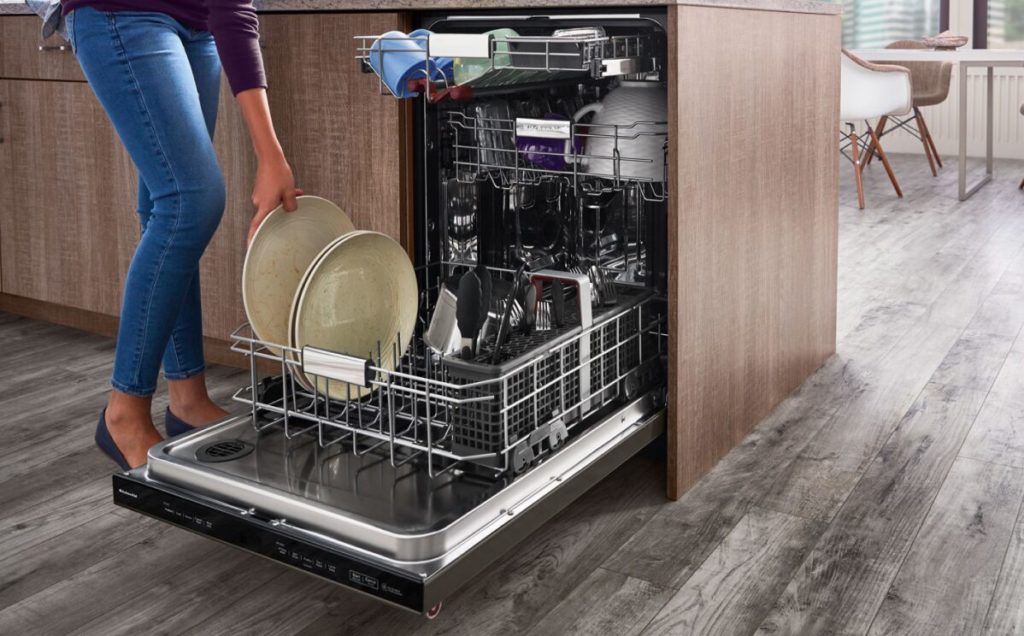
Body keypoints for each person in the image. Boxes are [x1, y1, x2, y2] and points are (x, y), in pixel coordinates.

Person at [61, 0, 301, 469]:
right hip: (123, 13)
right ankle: (124, 413)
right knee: (190, 200)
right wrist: (271, 157)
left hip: (194, 22)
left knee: (166, 204)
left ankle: (187, 400)